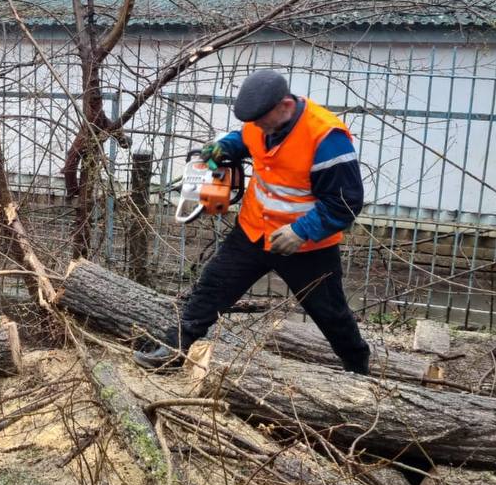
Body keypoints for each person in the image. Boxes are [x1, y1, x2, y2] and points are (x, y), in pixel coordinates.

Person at [134, 70, 371, 375]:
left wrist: (302, 231)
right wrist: (223, 148)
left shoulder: (326, 137)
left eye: (261, 119)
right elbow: (243, 139)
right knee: (211, 288)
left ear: (285, 105)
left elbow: (346, 202)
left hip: (306, 247)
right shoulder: (261, 124)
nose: (256, 126)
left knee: (330, 314)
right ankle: (173, 350)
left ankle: (359, 370)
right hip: (253, 231)